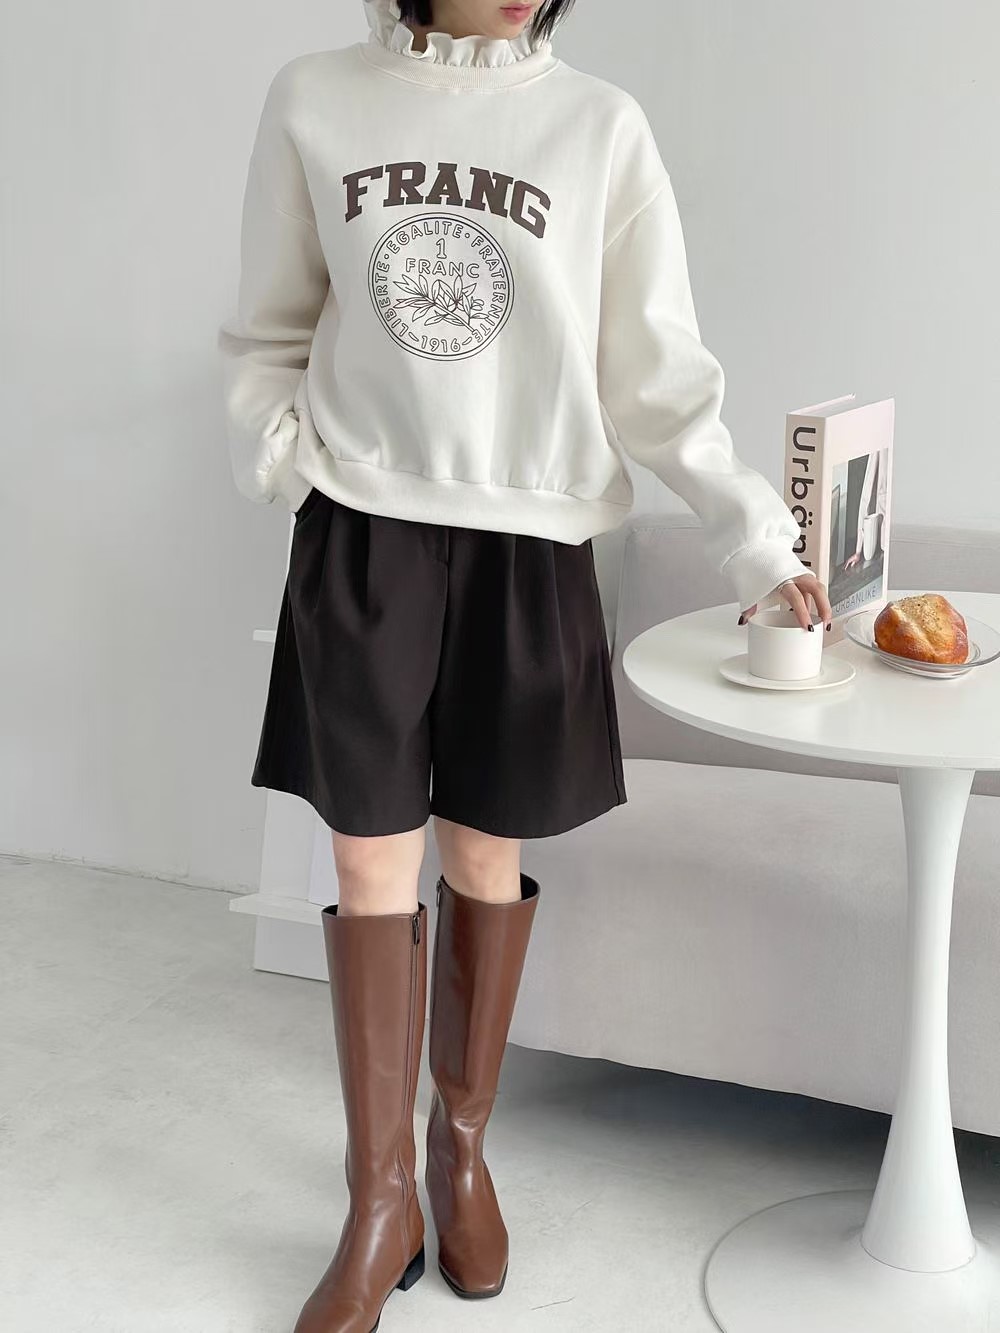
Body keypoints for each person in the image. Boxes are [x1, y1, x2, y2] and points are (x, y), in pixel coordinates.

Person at [217, 2, 834, 1329]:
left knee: (481, 856)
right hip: (365, 528)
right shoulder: (316, 96)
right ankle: (378, 1198)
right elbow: (270, 325)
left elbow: (658, 372)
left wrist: (755, 540)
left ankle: (460, 1151)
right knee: (368, 860)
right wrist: (287, 462)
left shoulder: (598, 126)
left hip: (532, 538)